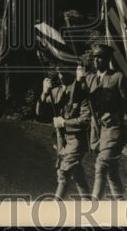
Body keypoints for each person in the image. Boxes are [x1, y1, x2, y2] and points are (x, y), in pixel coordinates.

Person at [84, 43, 127, 199]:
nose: (97, 61)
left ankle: (93, 205)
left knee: (102, 164)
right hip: (97, 131)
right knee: (111, 171)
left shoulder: (117, 77)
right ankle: (121, 202)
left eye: (101, 58)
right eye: (95, 58)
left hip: (114, 129)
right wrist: (80, 82)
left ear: (108, 59)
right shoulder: (89, 79)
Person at [37, 64, 91, 199]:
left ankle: (56, 208)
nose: (61, 77)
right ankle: (89, 203)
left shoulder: (82, 92)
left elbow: (86, 120)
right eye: (59, 73)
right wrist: (44, 93)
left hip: (77, 139)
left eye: (65, 73)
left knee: (64, 172)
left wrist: (64, 123)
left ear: (72, 73)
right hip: (61, 140)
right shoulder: (57, 92)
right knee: (77, 174)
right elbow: (40, 113)